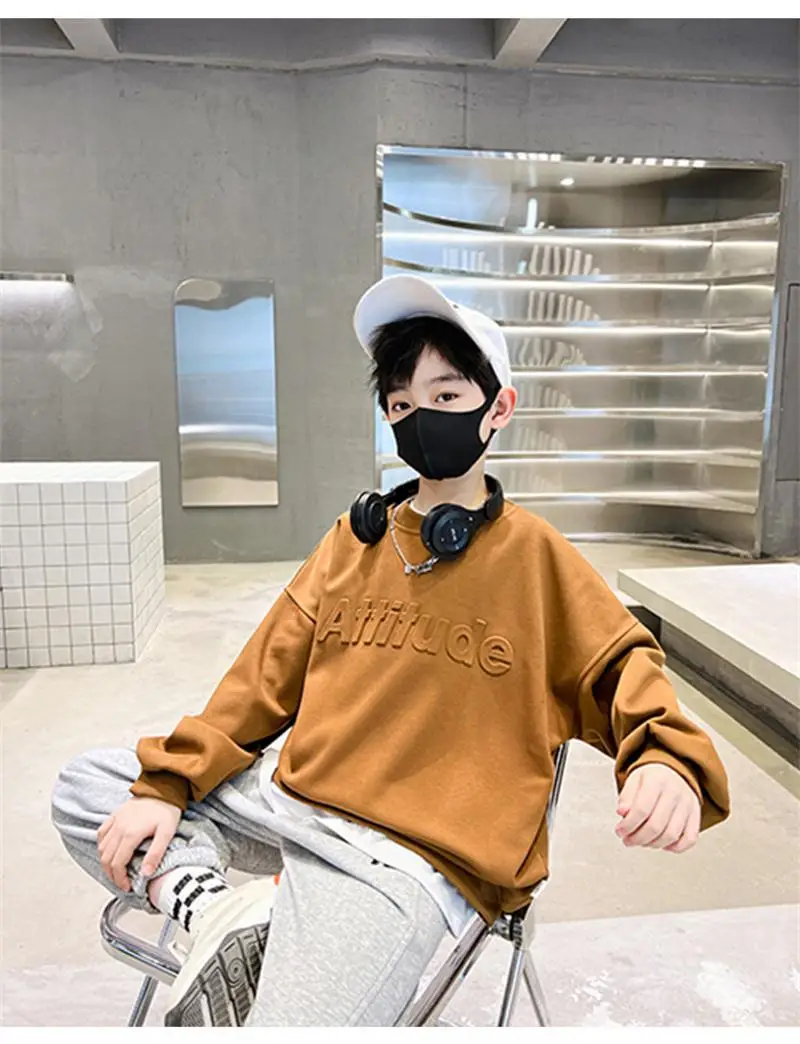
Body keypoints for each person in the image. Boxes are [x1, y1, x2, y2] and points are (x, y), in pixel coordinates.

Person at [51, 274, 731, 1028]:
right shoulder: (355, 541)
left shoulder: (539, 560)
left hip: (406, 860)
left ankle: (248, 927)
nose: (420, 416)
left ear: (498, 407)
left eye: (447, 395)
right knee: (89, 786)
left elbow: (627, 671)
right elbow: (256, 688)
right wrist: (166, 786)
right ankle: (224, 916)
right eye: (402, 404)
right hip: (289, 805)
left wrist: (665, 761)